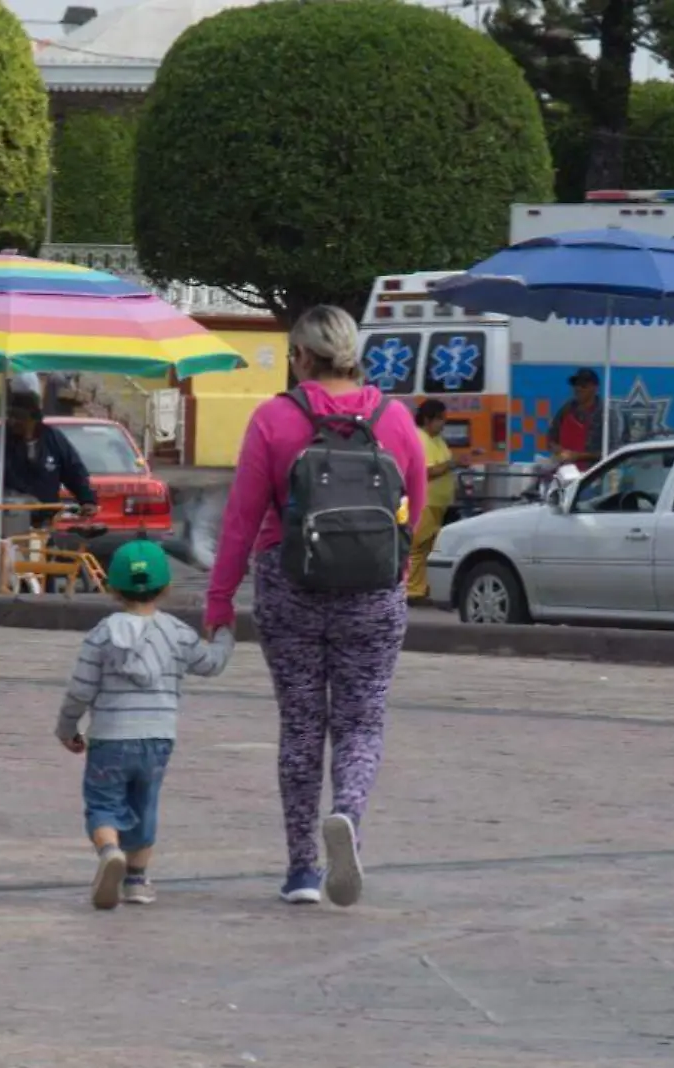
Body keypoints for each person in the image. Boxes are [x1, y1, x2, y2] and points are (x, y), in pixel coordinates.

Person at [205, 305, 428, 908]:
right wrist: (396, 577)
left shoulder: (274, 419)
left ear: (300, 356)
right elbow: (415, 505)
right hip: (373, 591)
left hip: (290, 582)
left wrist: (220, 602)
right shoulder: (395, 419)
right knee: (361, 721)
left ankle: (302, 869)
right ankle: (348, 812)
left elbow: (241, 520)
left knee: (302, 725)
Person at [57, 540, 234, 910]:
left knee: (103, 804)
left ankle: (109, 851)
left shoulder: (102, 634)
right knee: (145, 802)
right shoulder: (178, 633)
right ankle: (136, 881)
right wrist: (223, 630)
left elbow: (80, 690)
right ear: (167, 587)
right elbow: (212, 663)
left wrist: (67, 728)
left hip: (109, 739)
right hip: (158, 737)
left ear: (112, 587)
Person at [0, 392, 97, 528]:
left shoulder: (53, 439)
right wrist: (24, 499)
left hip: (45, 518)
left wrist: (87, 500)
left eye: (19, 417)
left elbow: (73, 470)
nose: (13, 422)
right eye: (10, 416)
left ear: (34, 418)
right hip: (9, 518)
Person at [409, 398, 457, 602]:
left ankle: (423, 587)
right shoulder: (420, 438)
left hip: (439, 503)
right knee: (418, 547)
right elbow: (427, 471)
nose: (443, 423)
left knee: (430, 548)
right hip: (425, 502)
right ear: (428, 419)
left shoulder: (437, 439)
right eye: (440, 419)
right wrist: (451, 464)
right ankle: (412, 590)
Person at [547, 368, 605, 469]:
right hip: (565, 473)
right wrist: (559, 451)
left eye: (583, 385)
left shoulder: (606, 414)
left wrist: (577, 456)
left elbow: (612, 451)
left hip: (594, 474)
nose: (578, 388)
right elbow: (551, 439)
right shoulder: (566, 409)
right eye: (575, 384)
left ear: (595, 388)